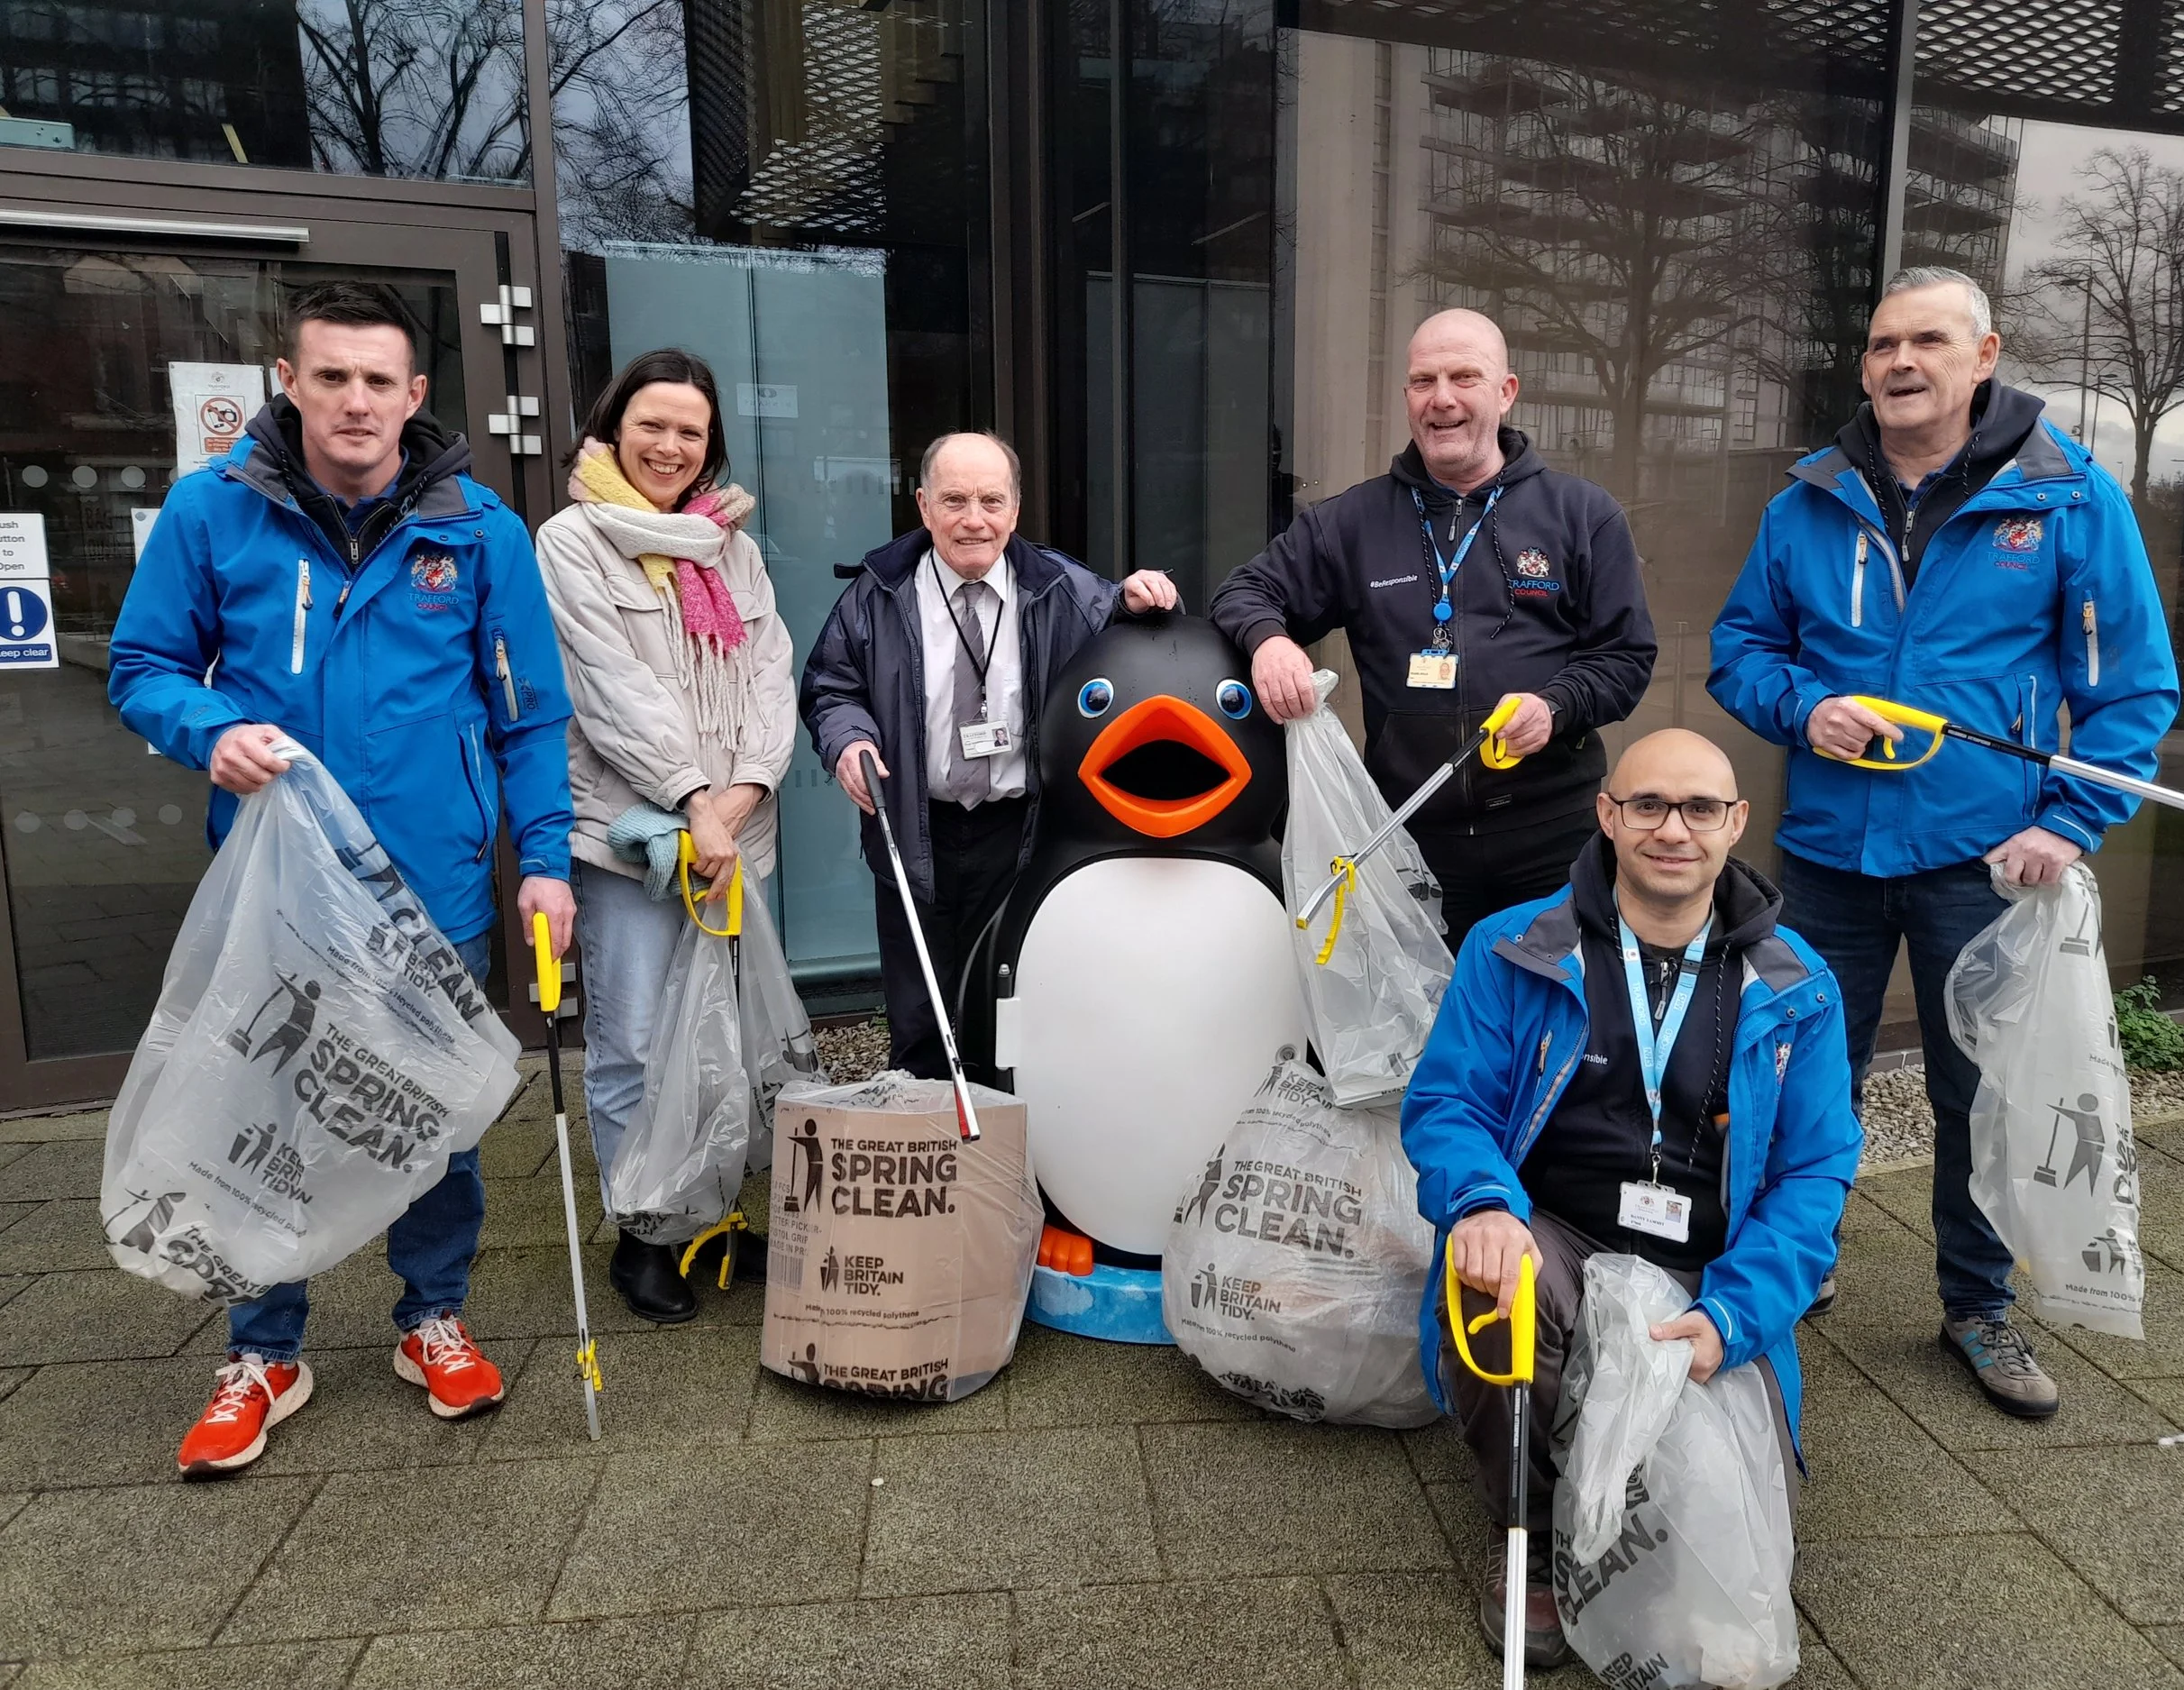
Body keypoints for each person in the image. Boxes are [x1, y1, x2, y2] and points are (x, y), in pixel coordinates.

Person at [110, 280, 577, 1477]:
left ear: (416, 395)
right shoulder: (214, 512)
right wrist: (205, 727)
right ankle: (264, 1347)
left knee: (431, 1111)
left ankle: (431, 1315)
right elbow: (144, 663)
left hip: (436, 890)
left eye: (379, 380)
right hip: (279, 888)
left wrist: (548, 864)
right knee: (263, 1110)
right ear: (291, 381)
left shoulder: (480, 532)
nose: (356, 401)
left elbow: (529, 719)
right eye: (333, 376)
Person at [1709, 266, 2179, 1417]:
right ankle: (1790, 1270)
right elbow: (1739, 651)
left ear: (1984, 356)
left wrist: (2067, 825)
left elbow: (2131, 694)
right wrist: (1803, 709)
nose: (1900, 363)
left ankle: (1977, 1305)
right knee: (1798, 1071)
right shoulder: (1806, 502)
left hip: (1986, 861)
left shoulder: (2067, 501)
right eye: (1881, 346)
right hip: (1828, 853)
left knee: (1980, 1094)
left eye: (1927, 341)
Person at [1402, 729, 1860, 1667]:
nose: (1671, 829)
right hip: (1554, 1230)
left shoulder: (1795, 985)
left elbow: (1815, 1176)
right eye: (1646, 804)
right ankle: (1526, 1536)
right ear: (1607, 815)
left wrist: (1737, 1315)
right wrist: (1483, 1204)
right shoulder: (1513, 948)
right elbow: (1447, 1103)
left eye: (1699, 808)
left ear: (1736, 824)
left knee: (1722, 1565)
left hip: (1707, 1259)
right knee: (1495, 1297)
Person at [1210, 308, 1657, 945]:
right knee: (1426, 1031)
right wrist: (1270, 640)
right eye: (1423, 381)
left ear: (1506, 393)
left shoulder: (1582, 515)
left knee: (1553, 1022)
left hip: (1552, 840)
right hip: (1412, 838)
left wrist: (1556, 707)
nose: (1441, 399)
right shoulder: (1352, 522)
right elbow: (1246, 589)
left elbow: (1625, 656)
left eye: (1464, 377)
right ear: (1407, 398)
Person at [535, 348, 798, 1324]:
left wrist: (745, 792)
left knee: (721, 1039)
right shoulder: (569, 542)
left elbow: (771, 671)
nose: (670, 446)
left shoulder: (729, 545)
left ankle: (713, 1208)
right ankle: (645, 1230)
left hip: (733, 833)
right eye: (652, 424)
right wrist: (693, 800)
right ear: (613, 428)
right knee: (637, 1042)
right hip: (630, 838)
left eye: (690, 431)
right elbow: (609, 692)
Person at [799, 432, 1179, 1076]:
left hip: (1020, 832)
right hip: (914, 824)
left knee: (1008, 997)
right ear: (923, 506)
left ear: (1015, 509)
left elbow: (1130, 636)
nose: (974, 519)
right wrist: (848, 740)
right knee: (919, 1006)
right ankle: (924, 1145)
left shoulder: (1061, 587)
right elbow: (832, 686)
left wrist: (1146, 599)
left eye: (990, 500)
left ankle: (999, 1145)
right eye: (954, 500)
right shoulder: (878, 592)